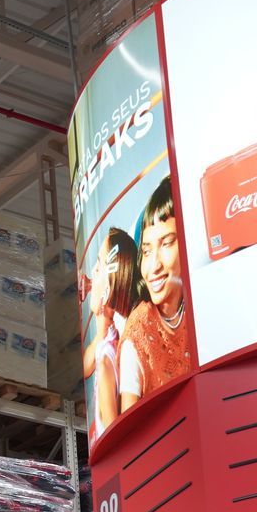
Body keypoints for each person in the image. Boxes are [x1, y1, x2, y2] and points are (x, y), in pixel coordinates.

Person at [120, 178, 196, 410]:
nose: (153, 266)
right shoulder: (139, 331)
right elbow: (129, 420)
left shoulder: (204, 303)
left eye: (166, 243)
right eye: (146, 251)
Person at [83, 226, 141, 438]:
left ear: (108, 290)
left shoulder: (108, 356)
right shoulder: (110, 340)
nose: (92, 272)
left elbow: (113, 434)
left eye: (99, 266)